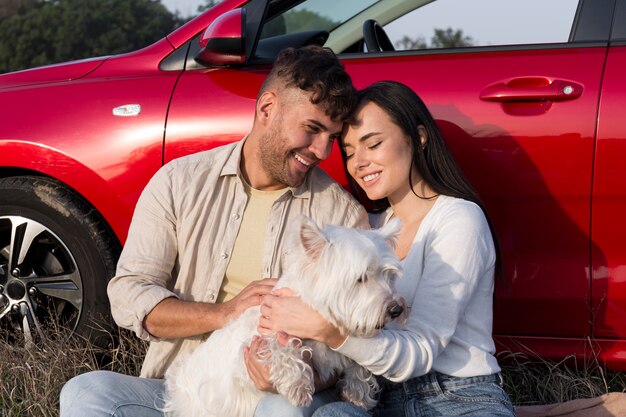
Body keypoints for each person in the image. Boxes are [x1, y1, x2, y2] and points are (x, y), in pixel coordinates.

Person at [59, 45, 369, 417]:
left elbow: (357, 338)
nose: (321, 150)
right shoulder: (179, 182)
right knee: (86, 392)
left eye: (332, 137)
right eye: (312, 129)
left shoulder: (340, 217)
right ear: (267, 109)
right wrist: (224, 313)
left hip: (276, 394)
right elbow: (129, 294)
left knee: (281, 410)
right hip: (181, 393)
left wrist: (301, 377)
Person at [252, 81, 516, 417]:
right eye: (348, 152)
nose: (359, 162)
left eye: (373, 144)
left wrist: (329, 331)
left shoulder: (458, 219)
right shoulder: (367, 232)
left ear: (418, 137)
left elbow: (420, 351)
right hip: (380, 398)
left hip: (458, 397)